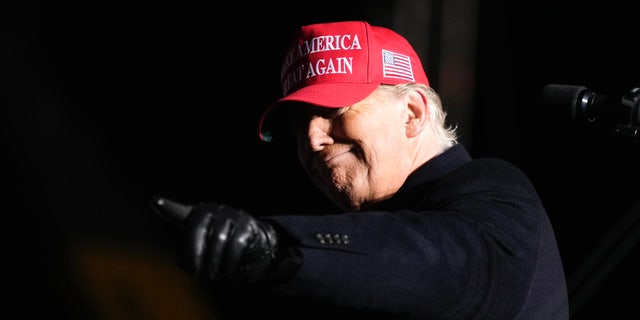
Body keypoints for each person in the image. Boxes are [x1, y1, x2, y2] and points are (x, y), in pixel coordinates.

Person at [150, 20, 569, 319]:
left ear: (412, 112)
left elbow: (439, 262)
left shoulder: (494, 191)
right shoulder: (351, 260)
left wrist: (274, 245)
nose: (312, 138)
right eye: (299, 127)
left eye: (334, 110)